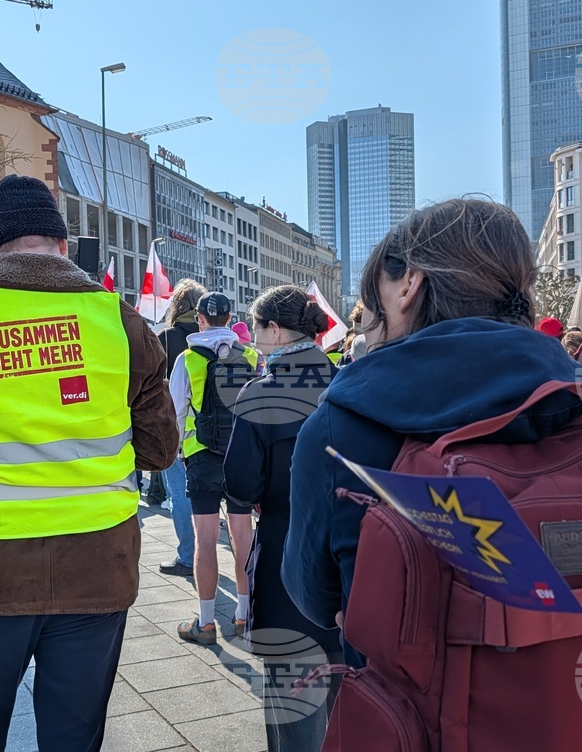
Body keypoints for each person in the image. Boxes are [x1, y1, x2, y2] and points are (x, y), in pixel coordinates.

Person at [0, 175, 179, 751]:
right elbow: (161, 449)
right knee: (74, 736)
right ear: (63, 246)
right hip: (98, 569)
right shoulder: (120, 321)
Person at [282, 199, 582, 665]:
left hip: (412, 716)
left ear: (408, 285)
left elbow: (315, 598)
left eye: (371, 300)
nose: (366, 322)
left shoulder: (338, 430)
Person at [224, 285, 341, 751]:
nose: (252, 337)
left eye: (255, 328)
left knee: (294, 721)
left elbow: (240, 485)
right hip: (352, 568)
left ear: (275, 330)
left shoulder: (261, 394)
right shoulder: (348, 384)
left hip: (286, 566)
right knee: (353, 713)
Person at [170, 291, 257, 644]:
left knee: (206, 542)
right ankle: (243, 616)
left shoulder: (188, 359)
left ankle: (206, 623)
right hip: (241, 457)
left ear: (200, 319)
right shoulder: (250, 355)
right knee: (244, 540)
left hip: (202, 457)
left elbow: (175, 411)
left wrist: (178, 450)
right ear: (230, 317)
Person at [156, 278, 207, 577]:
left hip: (173, 430)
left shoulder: (165, 338)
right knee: (204, 496)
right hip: (209, 434)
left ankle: (188, 557)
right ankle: (206, 554)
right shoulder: (212, 337)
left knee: (180, 495)